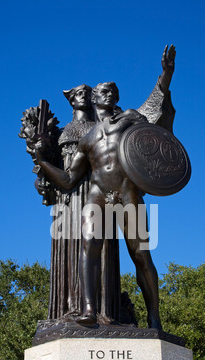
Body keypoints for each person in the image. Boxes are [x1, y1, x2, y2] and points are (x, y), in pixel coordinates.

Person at [35, 82, 161, 329]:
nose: (111, 94)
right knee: (89, 245)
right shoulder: (87, 138)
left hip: (127, 192)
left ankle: (154, 315)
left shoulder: (130, 118)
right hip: (98, 193)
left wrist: (165, 76)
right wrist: (43, 163)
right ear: (94, 97)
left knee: (141, 255)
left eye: (114, 91)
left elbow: (154, 138)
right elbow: (69, 179)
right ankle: (90, 310)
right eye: (105, 91)